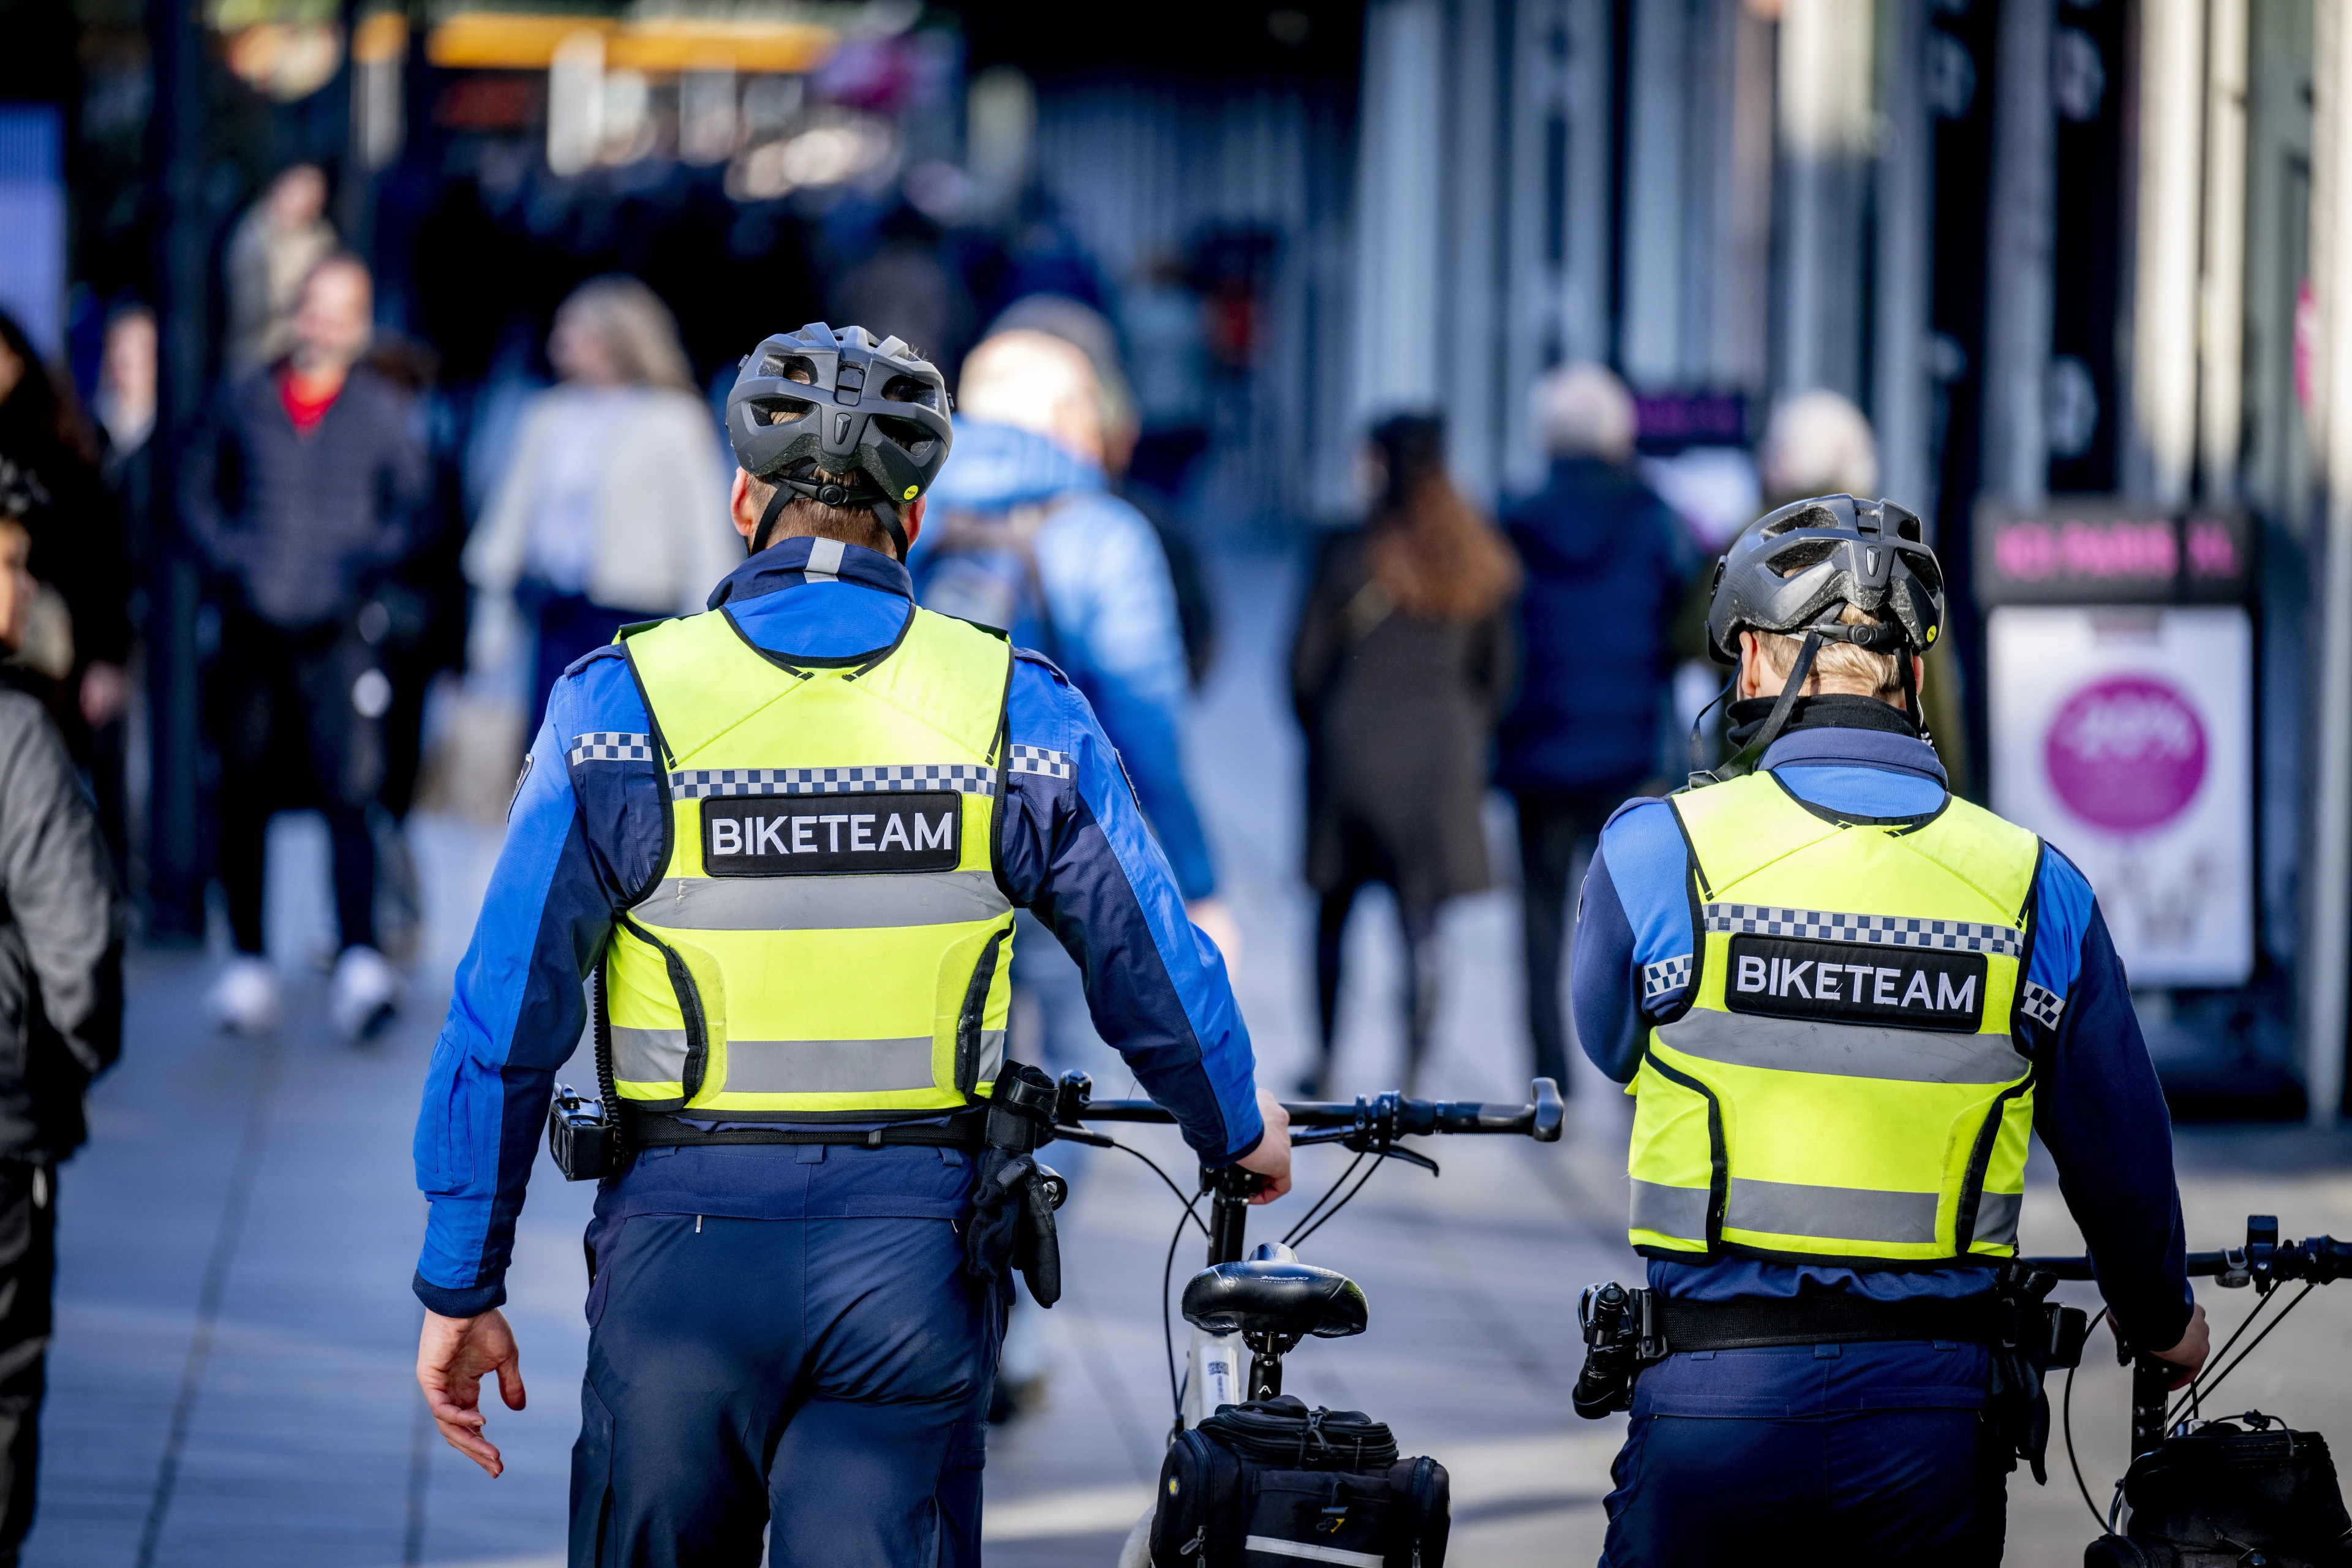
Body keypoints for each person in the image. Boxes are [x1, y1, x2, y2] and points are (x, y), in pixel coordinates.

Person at [408, 322, 1291, 1567]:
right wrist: (1235, 1118)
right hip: (914, 1258)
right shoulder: (1013, 705)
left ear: (740, 501)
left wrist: (463, 1276)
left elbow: (503, 1015)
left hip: (680, 1253)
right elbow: (1144, 948)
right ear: (915, 517)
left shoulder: (622, 707)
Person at [1572, 494, 2209, 1562]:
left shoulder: (1659, 852)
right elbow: (2120, 1156)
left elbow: (1608, 1042)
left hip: (1711, 1412)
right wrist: (2160, 1316)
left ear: (1770, 662)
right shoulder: (2034, 888)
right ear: (1911, 675)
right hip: (1933, 1430)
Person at [183, 253, 428, 1041]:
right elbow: (194, 491)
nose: (321, 322)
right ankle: (248, 961)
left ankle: (358, 954)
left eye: (338, 309)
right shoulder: (245, 397)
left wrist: (363, 562)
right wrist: (234, 560)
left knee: (347, 790)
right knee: (243, 788)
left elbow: (416, 506)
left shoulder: (379, 411)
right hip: (253, 627)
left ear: (359, 323)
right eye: (311, 305)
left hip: (338, 630)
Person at [1290, 413, 1517, 1096]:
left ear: (1380, 464)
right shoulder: (1475, 556)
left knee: (1333, 912)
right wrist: (1462, 731)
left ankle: (1327, 1059)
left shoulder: (1343, 549)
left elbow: (1302, 668)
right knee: (1422, 921)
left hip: (1351, 757)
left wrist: (1328, 729)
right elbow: (1500, 673)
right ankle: (1415, 1069)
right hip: (1438, 764)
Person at [1498, 364, 1692, 1095]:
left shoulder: (1515, 518)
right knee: (1640, 921)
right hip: (1631, 755)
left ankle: (1550, 1074)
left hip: (1537, 751)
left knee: (1541, 921)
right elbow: (1686, 628)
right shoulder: (1656, 520)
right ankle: (1635, 1065)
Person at [0, 495, 124, 1566]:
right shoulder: (18, 738)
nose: (22, 587)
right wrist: (71, 1061)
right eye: (3, 563)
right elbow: (76, 949)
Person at [462, 276, 736, 729]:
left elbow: (702, 530)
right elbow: (510, 517)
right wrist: (490, 617)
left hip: (640, 616)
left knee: (625, 746)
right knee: (554, 746)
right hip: (557, 611)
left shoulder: (675, 419)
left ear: (612, 338)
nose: (558, 340)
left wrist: (707, 632)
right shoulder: (547, 414)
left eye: (572, 328)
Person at [223, 164, 337, 373]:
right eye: (304, 191)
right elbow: (248, 302)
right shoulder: (253, 233)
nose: (310, 201)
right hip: (255, 349)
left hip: (302, 354)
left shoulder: (322, 240)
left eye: (316, 194)